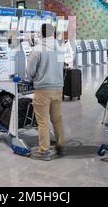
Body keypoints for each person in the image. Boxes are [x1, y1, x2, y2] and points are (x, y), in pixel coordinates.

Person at [25, 24, 66, 161]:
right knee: (57, 118)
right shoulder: (60, 48)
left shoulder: (37, 49)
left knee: (42, 121)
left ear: (41, 34)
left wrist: (31, 79)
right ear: (53, 33)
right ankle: (61, 145)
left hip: (43, 89)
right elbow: (62, 67)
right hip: (58, 88)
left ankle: (44, 150)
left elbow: (30, 71)